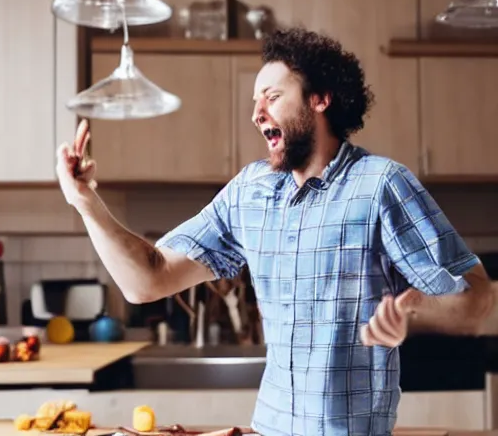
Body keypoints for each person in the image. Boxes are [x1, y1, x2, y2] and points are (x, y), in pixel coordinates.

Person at [56, 27, 494, 436]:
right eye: (254, 101)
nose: (255, 114)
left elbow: (478, 300)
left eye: (271, 97)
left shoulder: (381, 185)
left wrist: (413, 315)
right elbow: (148, 278)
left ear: (319, 99)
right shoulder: (251, 190)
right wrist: (85, 203)